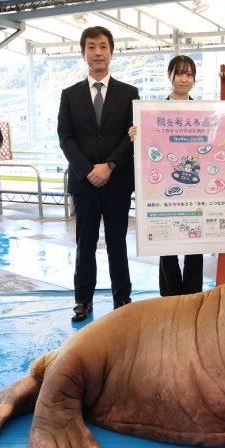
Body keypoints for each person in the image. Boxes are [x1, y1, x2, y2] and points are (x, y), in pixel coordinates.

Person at [127, 55, 225, 297]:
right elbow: (150, 149)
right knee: (165, 243)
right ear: (170, 76)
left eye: (189, 74)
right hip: (163, 188)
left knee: (196, 243)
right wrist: (134, 135)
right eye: (179, 73)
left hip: (195, 188)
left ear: (194, 79)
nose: (184, 79)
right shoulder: (151, 113)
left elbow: (214, 143)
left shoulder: (203, 112)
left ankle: (193, 295)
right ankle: (170, 296)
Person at [59, 26, 140, 322]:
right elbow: (65, 137)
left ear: (111, 52)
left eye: (103, 46)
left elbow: (131, 136)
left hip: (117, 181)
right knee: (86, 244)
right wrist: (88, 169)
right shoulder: (69, 95)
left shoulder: (129, 93)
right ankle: (83, 300)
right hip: (84, 183)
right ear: (83, 53)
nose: (97, 52)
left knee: (117, 242)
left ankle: (122, 298)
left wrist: (110, 166)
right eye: (91, 47)